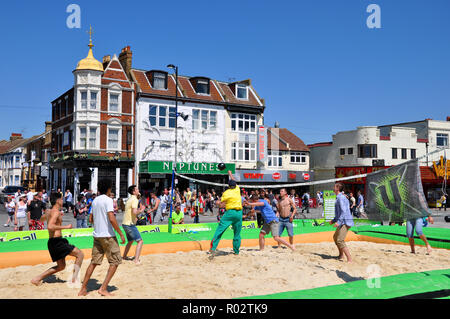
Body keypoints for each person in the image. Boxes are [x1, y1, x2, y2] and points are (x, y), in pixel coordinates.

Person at [78, 179, 126, 297]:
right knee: (115, 262)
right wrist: (120, 233)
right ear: (109, 188)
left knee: (94, 262)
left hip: (97, 235)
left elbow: (91, 219)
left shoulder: (95, 201)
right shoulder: (108, 200)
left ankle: (83, 289)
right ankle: (103, 288)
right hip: (108, 236)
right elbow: (111, 218)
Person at [31, 192, 84, 286]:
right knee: (80, 254)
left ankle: (37, 278)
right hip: (57, 241)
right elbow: (50, 226)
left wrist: (55, 218)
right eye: (62, 199)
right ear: (58, 201)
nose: (63, 201)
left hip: (52, 242)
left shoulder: (49, 211)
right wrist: (66, 227)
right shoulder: (56, 212)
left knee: (61, 266)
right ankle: (74, 279)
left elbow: (41, 219)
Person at [209, 171, 243, 257]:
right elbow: (233, 179)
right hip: (239, 213)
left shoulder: (226, 193)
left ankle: (213, 248)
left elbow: (220, 203)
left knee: (220, 230)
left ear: (228, 186)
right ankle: (236, 251)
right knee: (237, 233)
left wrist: (216, 202)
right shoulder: (237, 189)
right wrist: (230, 173)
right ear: (235, 185)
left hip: (230, 213)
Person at [329, 183, 354, 263]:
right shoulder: (339, 197)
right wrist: (334, 220)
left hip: (345, 221)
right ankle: (341, 255)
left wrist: (338, 222)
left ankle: (349, 259)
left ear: (337, 188)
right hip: (342, 221)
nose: (333, 187)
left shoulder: (340, 197)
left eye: (334, 186)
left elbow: (343, 211)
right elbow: (339, 212)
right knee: (335, 238)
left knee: (340, 240)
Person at [122, 185, 146, 265]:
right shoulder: (134, 199)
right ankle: (136, 260)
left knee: (130, 241)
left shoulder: (130, 199)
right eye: (137, 189)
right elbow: (134, 212)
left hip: (125, 223)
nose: (138, 190)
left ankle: (124, 256)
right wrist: (141, 210)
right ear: (133, 192)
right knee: (140, 241)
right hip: (129, 224)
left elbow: (132, 212)